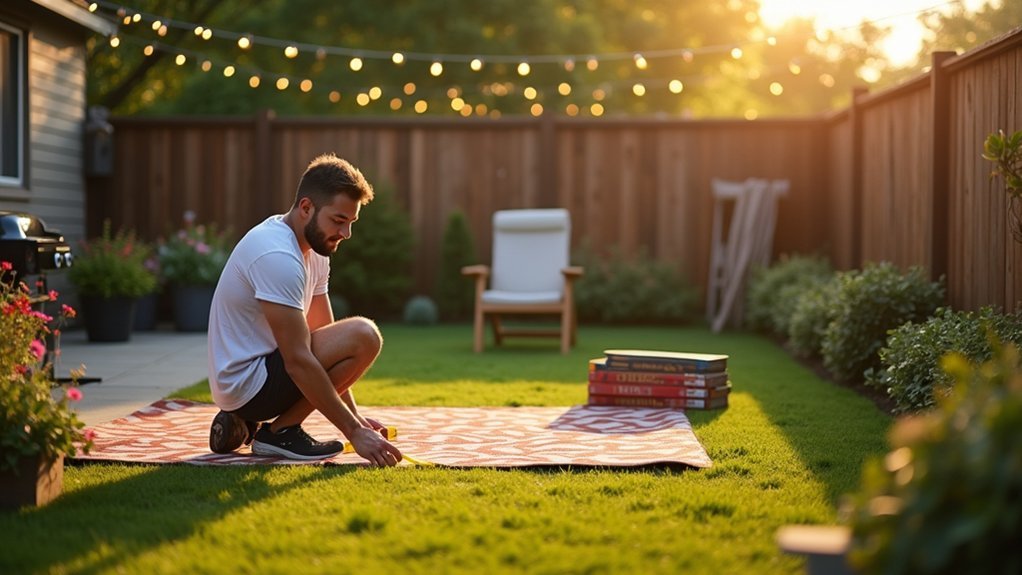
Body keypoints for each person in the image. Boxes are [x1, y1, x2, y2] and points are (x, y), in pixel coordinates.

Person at [206, 153, 402, 466]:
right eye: (338, 221)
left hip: (261, 375)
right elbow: (299, 360)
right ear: (306, 208)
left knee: (355, 338)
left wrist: (357, 420)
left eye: (351, 223)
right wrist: (354, 432)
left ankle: (245, 424)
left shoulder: (315, 249)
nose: (346, 234)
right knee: (364, 335)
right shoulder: (277, 255)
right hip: (247, 383)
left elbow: (324, 341)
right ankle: (278, 433)